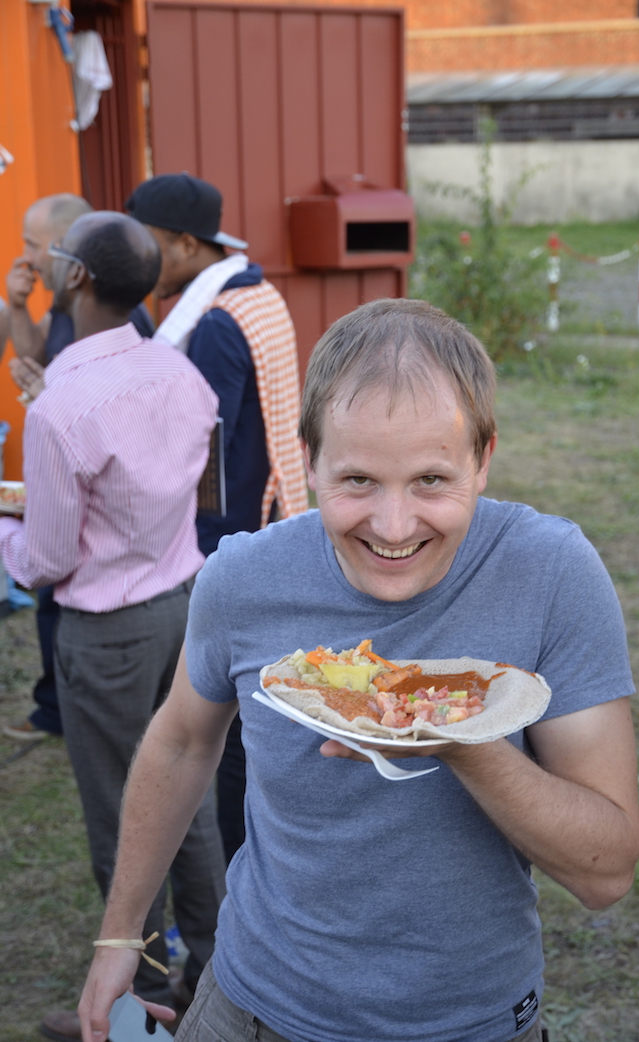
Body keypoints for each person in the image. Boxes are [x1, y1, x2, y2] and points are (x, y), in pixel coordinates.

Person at [79, 297, 639, 1042]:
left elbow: (606, 873)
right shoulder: (244, 578)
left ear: (483, 459)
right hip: (249, 1007)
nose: (394, 526)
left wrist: (459, 742)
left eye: (431, 480)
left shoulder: (551, 575)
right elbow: (182, 742)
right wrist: (121, 935)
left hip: (472, 1023)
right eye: (357, 481)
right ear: (307, 460)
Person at [0, 212, 226, 1042]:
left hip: (108, 631)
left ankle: (142, 1003)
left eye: (53, 253)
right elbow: (198, 479)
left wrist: (6, 532)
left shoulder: (61, 407)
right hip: (183, 604)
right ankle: (219, 977)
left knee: (123, 817)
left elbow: (47, 558)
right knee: (189, 797)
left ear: (76, 279)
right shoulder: (176, 367)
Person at [127, 172, 308, 863]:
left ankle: (241, 862)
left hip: (231, 535)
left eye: (145, 243)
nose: (140, 260)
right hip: (275, 512)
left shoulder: (214, 325)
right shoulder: (258, 292)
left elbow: (206, 454)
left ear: (183, 244)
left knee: (227, 724)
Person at [2, 193, 155, 742]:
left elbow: (116, 411)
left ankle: (71, 712)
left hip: (99, 499)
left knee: (58, 587)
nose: (26, 255)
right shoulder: (70, 305)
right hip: (72, 488)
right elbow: (36, 353)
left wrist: (51, 399)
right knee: (52, 600)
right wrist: (18, 306)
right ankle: (57, 707)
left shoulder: (112, 316)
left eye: (33, 244)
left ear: (69, 251)